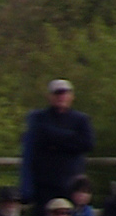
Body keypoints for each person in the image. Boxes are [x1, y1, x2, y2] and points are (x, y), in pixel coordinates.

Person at [20, 78, 95, 206]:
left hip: (72, 183)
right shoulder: (38, 117)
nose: (62, 97)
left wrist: (53, 138)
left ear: (72, 96)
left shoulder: (81, 119)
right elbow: (34, 140)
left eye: (65, 93)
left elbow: (87, 144)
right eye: (57, 93)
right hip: (44, 183)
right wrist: (71, 138)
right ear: (49, 96)